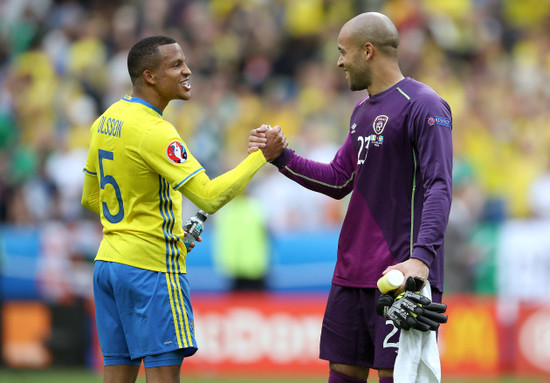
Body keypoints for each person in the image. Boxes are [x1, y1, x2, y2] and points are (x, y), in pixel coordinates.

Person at [249, 12, 452, 383]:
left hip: (399, 275)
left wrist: (421, 260)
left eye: (343, 52)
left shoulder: (424, 104)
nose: (339, 61)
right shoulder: (361, 111)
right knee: (342, 372)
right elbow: (340, 179)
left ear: (368, 51)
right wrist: (282, 158)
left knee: (398, 374)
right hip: (350, 273)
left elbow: (439, 185)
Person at [81, 36, 286, 383]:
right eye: (175, 65)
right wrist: (260, 157)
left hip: (109, 266)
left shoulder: (106, 120)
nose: (187, 70)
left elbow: (91, 197)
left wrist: (143, 227)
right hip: (152, 271)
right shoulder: (156, 131)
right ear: (149, 76)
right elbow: (207, 196)